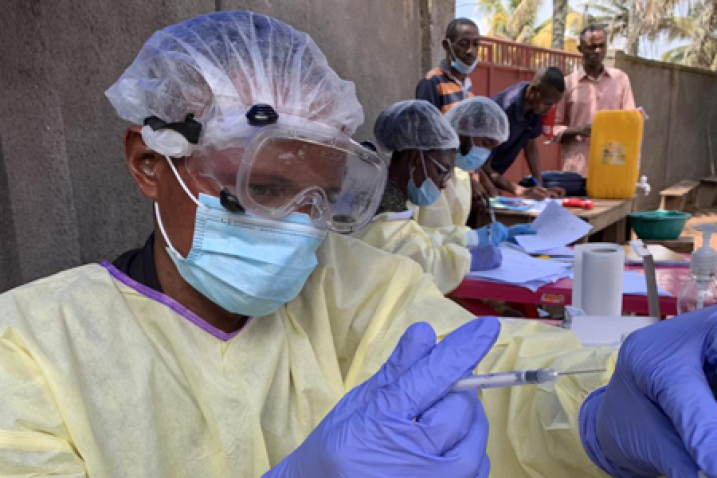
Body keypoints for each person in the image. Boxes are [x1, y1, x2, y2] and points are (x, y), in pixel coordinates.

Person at [1, 11, 716, 478]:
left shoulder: (354, 289)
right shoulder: (28, 352)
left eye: (323, 199)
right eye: (268, 189)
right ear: (148, 161)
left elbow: (496, 376)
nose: (300, 230)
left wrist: (597, 401)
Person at [352, 100, 534, 294]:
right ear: (415, 159)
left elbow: (425, 238)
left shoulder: (392, 199)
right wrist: (467, 259)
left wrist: (473, 238)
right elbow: (419, 258)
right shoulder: (383, 211)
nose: (445, 183)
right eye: (442, 172)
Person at [414, 17, 493, 229]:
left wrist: (481, 178)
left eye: (476, 44)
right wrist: (469, 180)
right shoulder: (433, 83)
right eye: (463, 43)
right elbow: (431, 144)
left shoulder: (467, 87)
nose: (470, 51)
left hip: (465, 185)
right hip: (444, 185)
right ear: (446, 45)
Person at [554, 24, 636, 176]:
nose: (597, 51)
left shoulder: (621, 80)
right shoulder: (567, 84)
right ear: (581, 49)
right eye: (592, 47)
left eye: (601, 46)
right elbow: (555, 127)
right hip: (577, 170)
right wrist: (578, 130)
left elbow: (631, 120)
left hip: (612, 167)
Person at [487, 67, 567, 199]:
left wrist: (541, 188)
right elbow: (482, 166)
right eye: (547, 104)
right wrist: (520, 190)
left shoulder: (535, 106)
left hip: (494, 178)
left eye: (553, 105)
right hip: (476, 177)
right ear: (532, 91)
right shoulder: (502, 111)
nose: (548, 110)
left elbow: (530, 146)